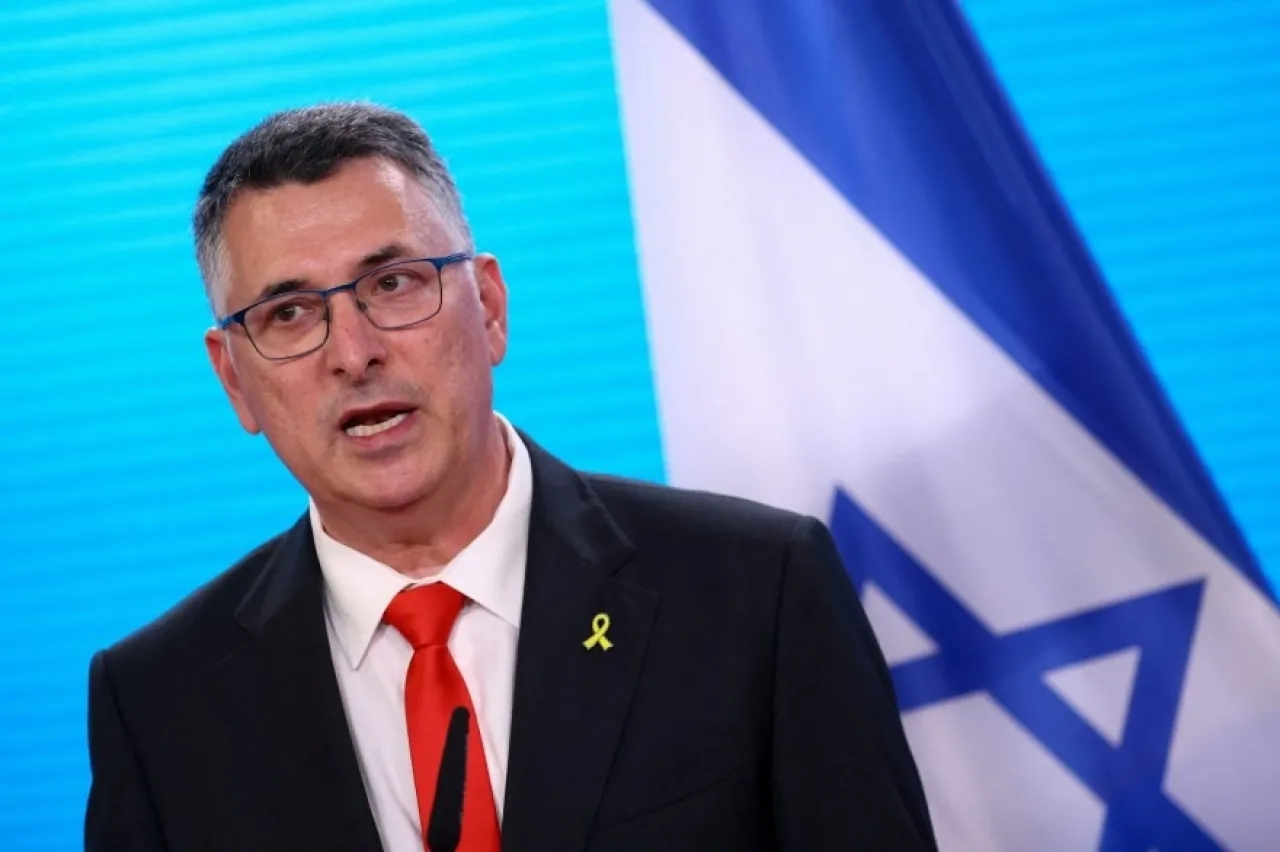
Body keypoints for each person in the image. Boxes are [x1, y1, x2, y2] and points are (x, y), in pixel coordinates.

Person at [84, 102, 936, 852]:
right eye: (290, 313)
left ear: (489, 307)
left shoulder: (758, 593)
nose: (354, 353)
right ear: (234, 378)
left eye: (393, 282)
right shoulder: (159, 704)